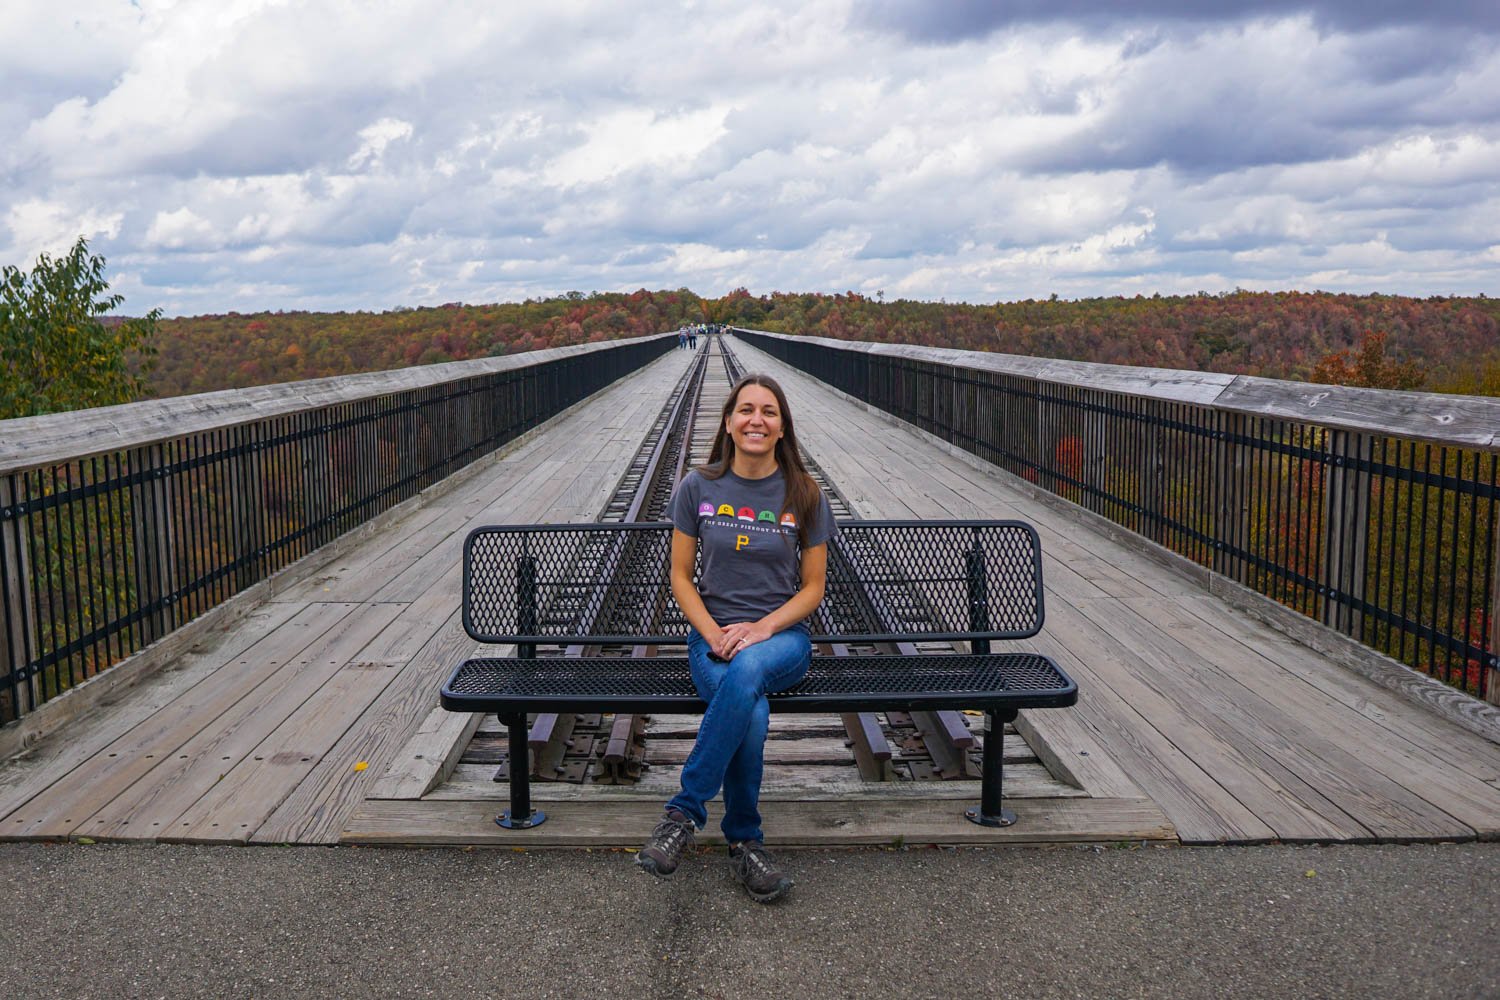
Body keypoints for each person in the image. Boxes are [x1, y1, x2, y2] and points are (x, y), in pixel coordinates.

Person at [635, 374, 835, 902]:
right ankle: (746, 844)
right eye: (746, 410)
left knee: (748, 668)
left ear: (782, 427)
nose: (756, 420)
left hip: (783, 640)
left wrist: (762, 629)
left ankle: (682, 814)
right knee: (753, 710)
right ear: (728, 422)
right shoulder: (697, 487)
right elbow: (680, 577)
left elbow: (813, 588)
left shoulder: (805, 493)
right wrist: (714, 634)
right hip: (712, 639)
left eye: (769, 412)